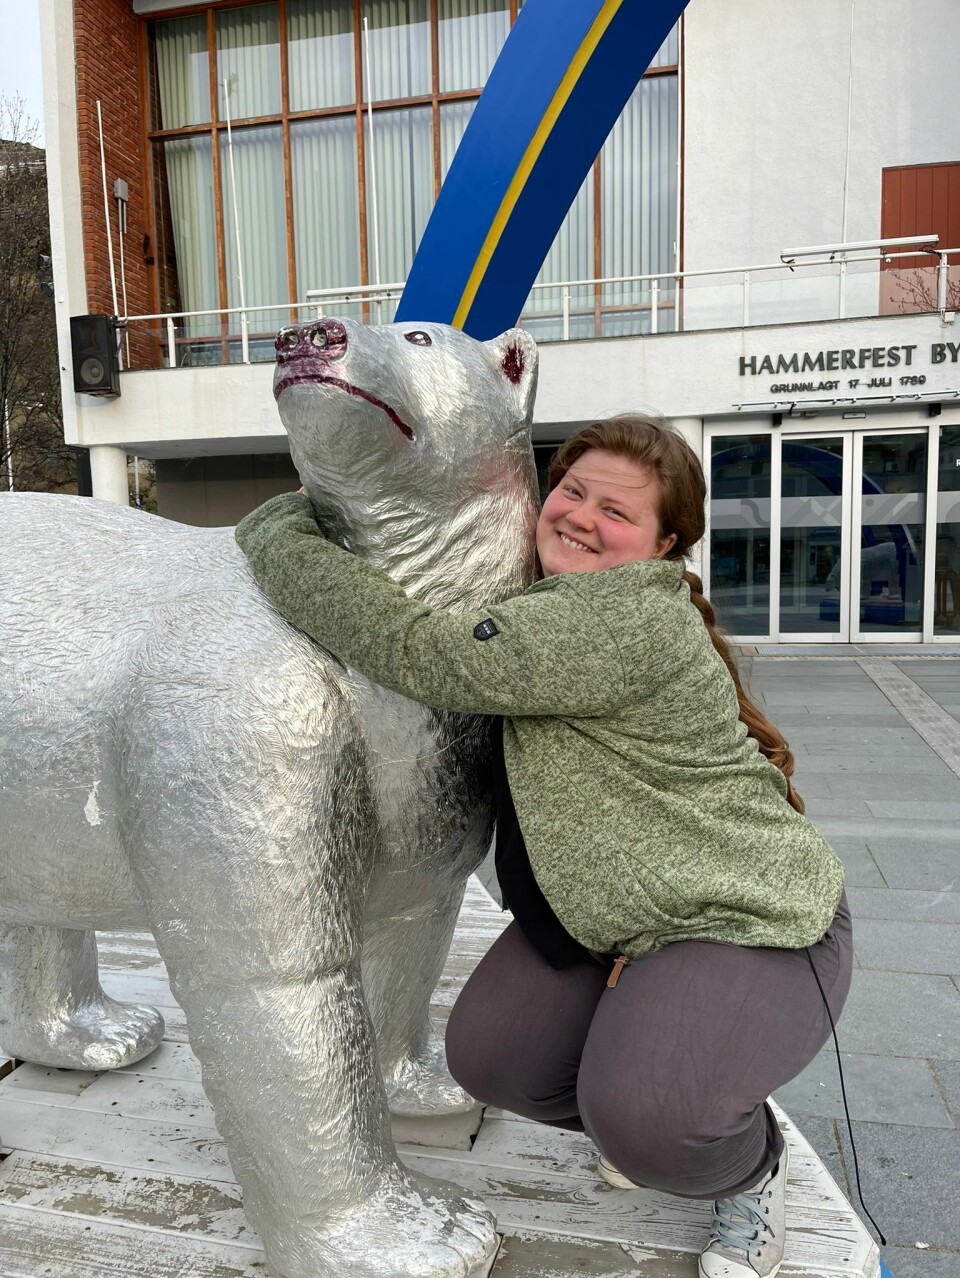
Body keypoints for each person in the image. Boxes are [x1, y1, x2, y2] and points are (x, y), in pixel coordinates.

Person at [236, 414, 851, 1278]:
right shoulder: (549, 603)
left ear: (663, 544)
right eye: (571, 492)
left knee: (649, 1120)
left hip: (741, 915)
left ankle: (745, 1167)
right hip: (615, 916)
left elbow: (420, 651)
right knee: (493, 1060)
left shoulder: (619, 618)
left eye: (616, 512)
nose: (580, 517)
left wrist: (275, 527)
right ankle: (654, 1099)